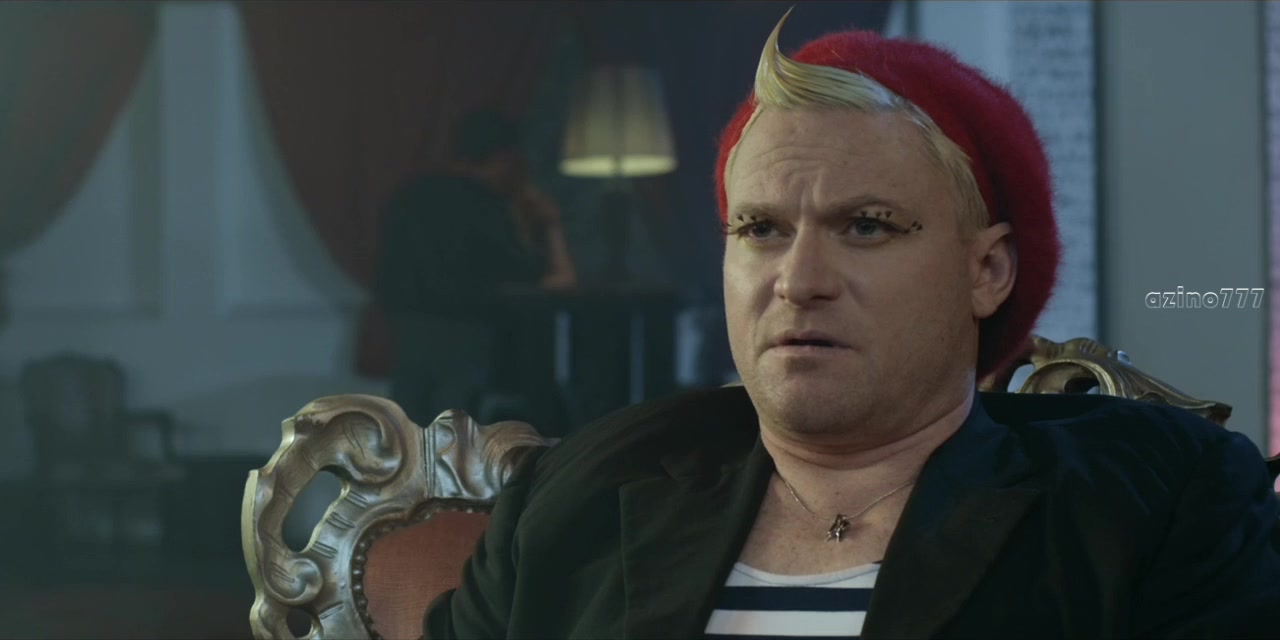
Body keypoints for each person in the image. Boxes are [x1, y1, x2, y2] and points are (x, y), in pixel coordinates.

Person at [424, 12, 1280, 639]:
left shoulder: (1156, 503)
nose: (798, 281)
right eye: (760, 229)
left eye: (867, 226)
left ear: (987, 270)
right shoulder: (577, 496)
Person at [375, 108, 576, 429]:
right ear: (504, 157)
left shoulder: (408, 196)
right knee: (453, 430)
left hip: (407, 332)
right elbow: (545, 280)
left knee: (408, 427)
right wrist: (549, 223)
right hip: (467, 333)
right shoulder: (486, 205)